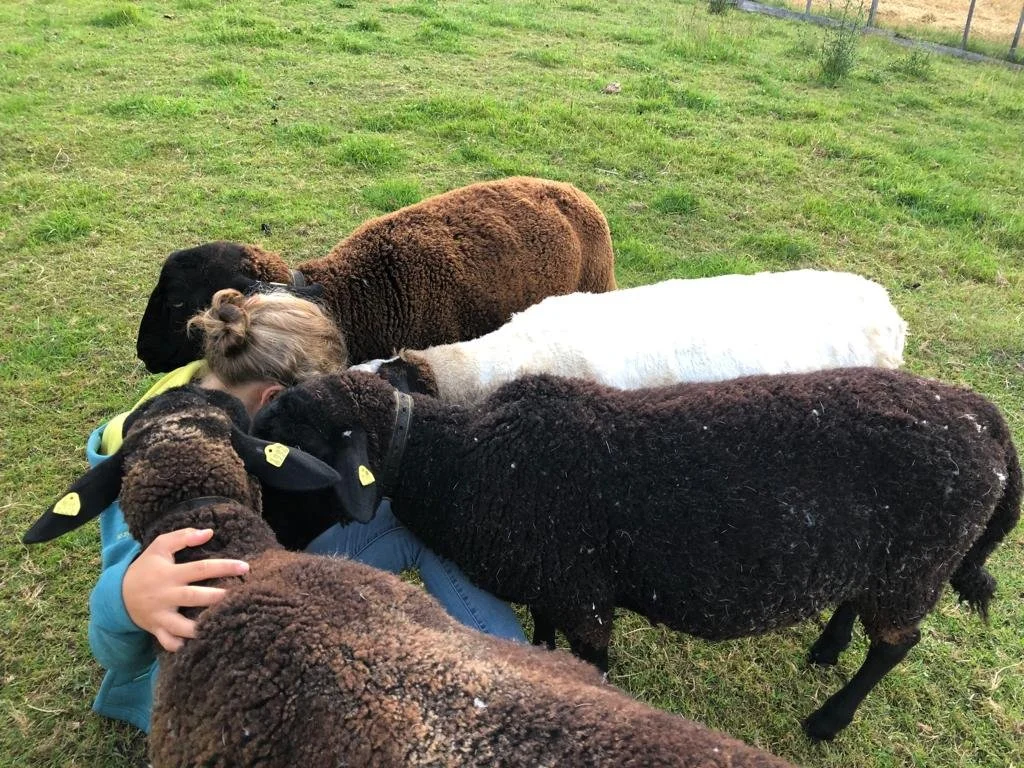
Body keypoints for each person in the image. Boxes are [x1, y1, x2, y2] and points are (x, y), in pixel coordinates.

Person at [87, 288, 526, 732]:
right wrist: (127, 596)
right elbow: (112, 647)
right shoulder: (160, 449)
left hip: (277, 574)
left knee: (412, 517)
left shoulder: (222, 380)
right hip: (217, 674)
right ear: (274, 398)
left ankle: (524, 677)